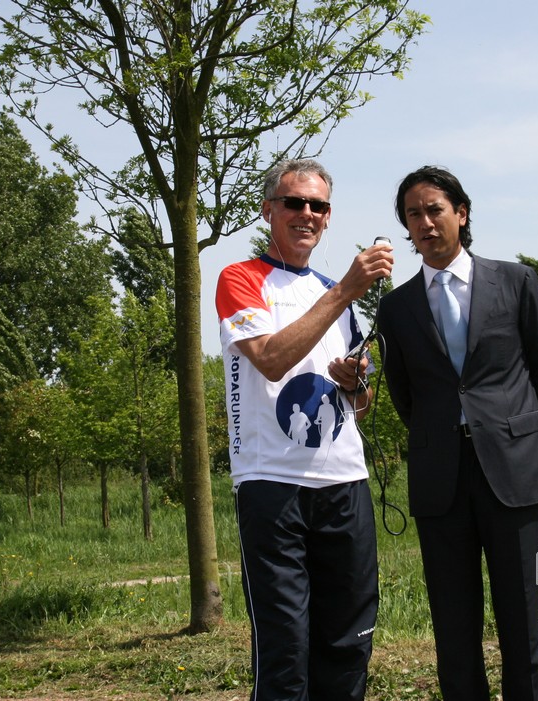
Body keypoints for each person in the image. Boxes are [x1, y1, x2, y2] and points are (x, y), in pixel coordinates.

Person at [377, 165, 538, 701]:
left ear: (461, 213)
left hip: (514, 473)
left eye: (435, 210)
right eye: (413, 214)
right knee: (453, 629)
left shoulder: (516, 281)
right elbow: (405, 395)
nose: (425, 223)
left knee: (521, 622)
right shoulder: (396, 307)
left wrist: (509, 431)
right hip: (440, 480)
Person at [216, 158, 394, 701]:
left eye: (319, 206)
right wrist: (345, 292)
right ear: (268, 209)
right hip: (272, 483)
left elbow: (360, 406)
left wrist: (353, 383)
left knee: (347, 643)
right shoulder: (240, 278)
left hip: (344, 483)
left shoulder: (337, 294)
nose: (307, 214)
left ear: (328, 216)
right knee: (285, 649)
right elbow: (270, 359)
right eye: (294, 202)